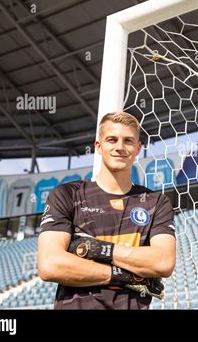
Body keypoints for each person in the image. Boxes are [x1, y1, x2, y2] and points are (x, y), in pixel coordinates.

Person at [37, 111, 176, 309]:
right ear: (99, 146)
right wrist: (121, 275)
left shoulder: (155, 202)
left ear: (138, 148)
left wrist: (96, 249)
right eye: (112, 139)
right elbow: (50, 264)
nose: (120, 147)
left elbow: (163, 262)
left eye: (128, 141)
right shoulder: (67, 194)